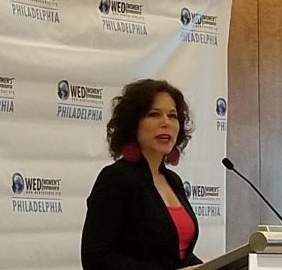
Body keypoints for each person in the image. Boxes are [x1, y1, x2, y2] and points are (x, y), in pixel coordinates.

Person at [81, 79, 202, 270]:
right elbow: (96, 257)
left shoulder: (173, 181)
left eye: (173, 115)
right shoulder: (117, 178)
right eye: (154, 114)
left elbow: (174, 254)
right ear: (132, 124)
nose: (166, 123)